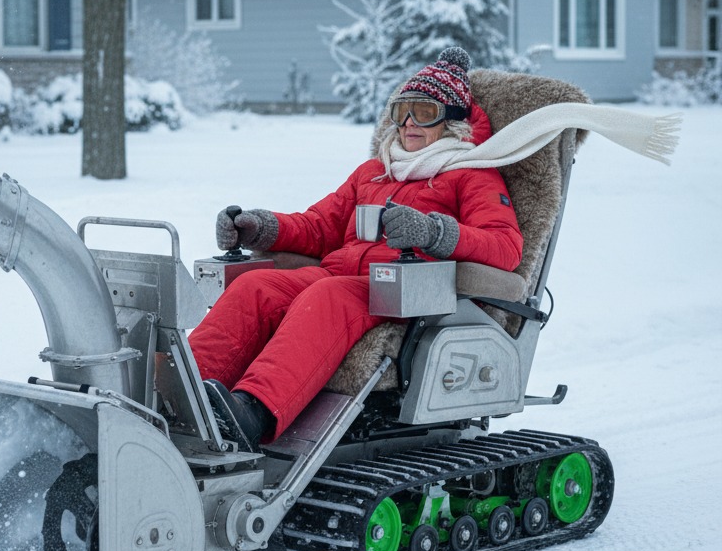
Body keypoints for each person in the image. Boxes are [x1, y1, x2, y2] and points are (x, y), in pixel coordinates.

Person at [188, 46, 524, 452]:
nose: (409, 123)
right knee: (255, 287)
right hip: (340, 274)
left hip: (405, 294)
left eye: (424, 112)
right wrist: (261, 228)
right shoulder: (374, 172)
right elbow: (320, 226)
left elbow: (506, 246)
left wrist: (433, 232)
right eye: (401, 111)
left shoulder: (470, 175)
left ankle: (252, 412)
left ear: (451, 122)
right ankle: (181, 395)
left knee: (327, 296)